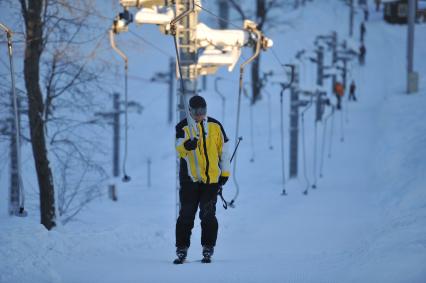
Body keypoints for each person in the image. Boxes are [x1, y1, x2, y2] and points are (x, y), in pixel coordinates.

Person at [174, 95, 231, 264]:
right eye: (197, 112)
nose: (200, 115)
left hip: (211, 180)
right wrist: (187, 146)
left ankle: (208, 247)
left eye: (203, 111)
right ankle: (182, 248)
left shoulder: (215, 126)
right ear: (190, 111)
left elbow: (224, 151)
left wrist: (225, 173)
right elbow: (178, 148)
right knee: (186, 214)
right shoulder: (183, 127)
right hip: (190, 179)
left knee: (207, 215)